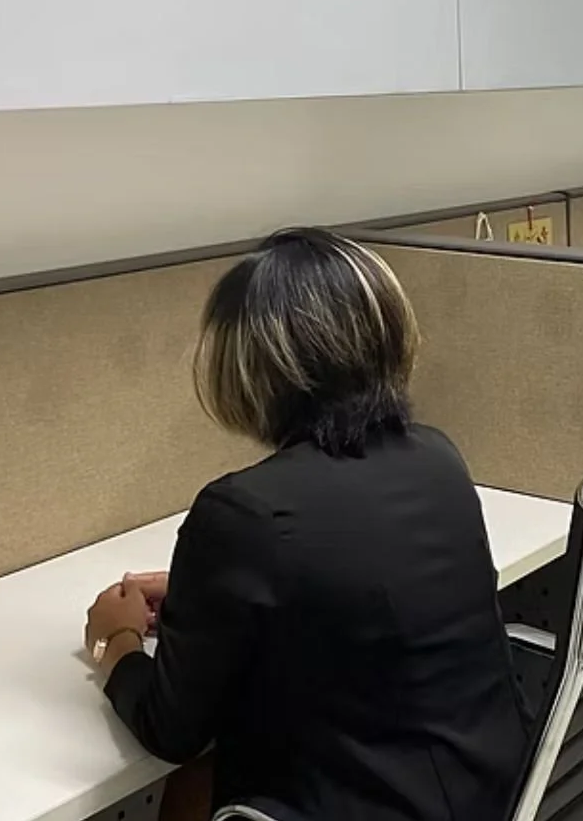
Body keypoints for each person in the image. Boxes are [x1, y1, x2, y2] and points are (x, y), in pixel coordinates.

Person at [82, 229, 528, 821]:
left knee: (190, 782)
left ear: (249, 369)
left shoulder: (241, 513)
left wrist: (114, 640)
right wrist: (205, 595)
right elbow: (351, 588)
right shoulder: (436, 458)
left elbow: (170, 729)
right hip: (497, 798)